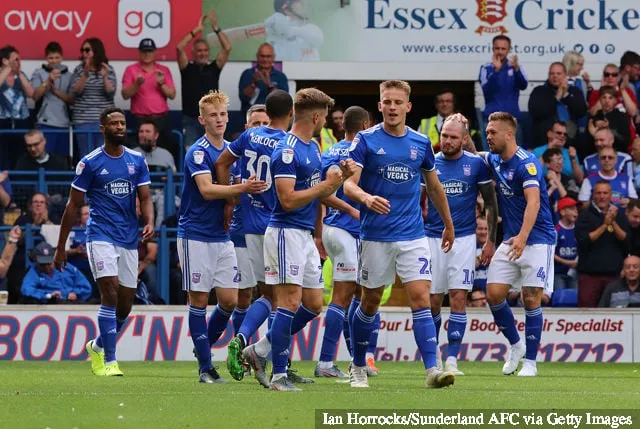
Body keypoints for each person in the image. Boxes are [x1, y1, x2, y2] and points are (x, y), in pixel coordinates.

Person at [343, 80, 455, 389]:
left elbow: (433, 186)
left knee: (421, 299)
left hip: (412, 235)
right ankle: (357, 365)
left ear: (408, 106)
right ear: (380, 106)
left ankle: (432, 369)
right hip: (376, 235)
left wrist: (448, 222)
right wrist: (365, 198)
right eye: (386, 102)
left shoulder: (420, 143)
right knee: (370, 302)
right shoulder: (365, 140)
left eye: (397, 102)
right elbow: (348, 184)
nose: (392, 107)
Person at [241, 88, 354, 392]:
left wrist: (345, 201)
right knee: (288, 304)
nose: (326, 122)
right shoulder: (286, 150)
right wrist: (328, 186)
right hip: (284, 233)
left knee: (314, 304)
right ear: (316, 117)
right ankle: (279, 375)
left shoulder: (314, 148)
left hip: (304, 236)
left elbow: (322, 193)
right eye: (325, 117)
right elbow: (288, 199)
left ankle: (260, 349)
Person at [54, 107, 154, 377]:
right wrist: (61, 247)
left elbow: (145, 197)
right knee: (109, 292)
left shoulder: (136, 159)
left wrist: (149, 221)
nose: (120, 127)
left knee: (125, 304)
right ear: (103, 128)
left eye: (122, 123)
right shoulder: (90, 162)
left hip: (128, 237)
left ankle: (97, 346)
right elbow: (73, 206)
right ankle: (110, 361)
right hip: (100, 234)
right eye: (114, 123)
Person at [177, 90, 267, 384]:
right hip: (195, 234)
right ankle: (206, 367)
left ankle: (200, 346)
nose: (218, 119)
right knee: (200, 300)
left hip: (222, 235)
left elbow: (236, 190)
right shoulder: (198, 152)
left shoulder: (231, 151)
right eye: (213, 115)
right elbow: (206, 189)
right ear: (202, 120)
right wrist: (242, 190)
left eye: (222, 114)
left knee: (230, 300)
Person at [215, 91, 292, 382]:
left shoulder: (248, 140)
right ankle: (249, 346)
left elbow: (222, 163)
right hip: (274, 226)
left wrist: (231, 197)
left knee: (264, 296)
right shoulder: (287, 143)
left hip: (250, 224)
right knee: (275, 297)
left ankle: (254, 350)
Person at [475, 111, 556, 377]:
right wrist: (462, 133)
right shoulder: (495, 159)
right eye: (487, 132)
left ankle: (531, 362)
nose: (488, 136)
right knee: (494, 294)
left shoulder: (527, 163)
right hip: (511, 239)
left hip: (537, 239)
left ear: (509, 134)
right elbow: (474, 154)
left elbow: (533, 202)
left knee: (531, 298)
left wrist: (522, 236)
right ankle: (516, 345)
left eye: (492, 132)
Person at [424, 115, 498, 376]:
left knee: (458, 297)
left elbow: (490, 203)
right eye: (444, 135)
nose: (447, 141)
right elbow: (420, 201)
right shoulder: (430, 162)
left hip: (465, 239)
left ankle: (452, 358)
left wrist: (490, 240)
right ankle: (432, 357)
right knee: (432, 300)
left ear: (464, 139)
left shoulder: (476, 165)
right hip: (432, 237)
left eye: (454, 137)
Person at [314, 106, 370, 378]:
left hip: (331, 228)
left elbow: (321, 193)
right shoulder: (362, 153)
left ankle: (357, 359)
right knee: (343, 297)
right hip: (347, 229)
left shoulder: (328, 152)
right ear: (366, 124)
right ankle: (325, 362)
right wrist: (351, 209)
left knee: (356, 294)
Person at [177, 10, 232, 150]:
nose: (203, 53)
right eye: (199, 51)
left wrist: (216, 28)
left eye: (205, 50)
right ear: (193, 53)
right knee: (191, 153)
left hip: (212, 119)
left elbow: (227, 47)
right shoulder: (186, 67)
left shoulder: (214, 67)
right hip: (190, 119)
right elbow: (179, 47)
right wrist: (197, 30)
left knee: (214, 152)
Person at [575, 181, 630, 307]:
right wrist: (605, 225)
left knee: (616, 319)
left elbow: (626, 241)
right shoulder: (584, 215)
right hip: (589, 276)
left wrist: (613, 222)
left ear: (611, 195)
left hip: (615, 277)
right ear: (593, 195)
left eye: (605, 193)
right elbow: (584, 241)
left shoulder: (620, 216)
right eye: (598, 193)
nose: (602, 196)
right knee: (587, 317)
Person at [122, 38, 176, 156]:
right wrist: (137, 84)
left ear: (155, 52)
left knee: (166, 149)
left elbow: (172, 94)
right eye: (144, 51)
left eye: (150, 51)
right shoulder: (131, 70)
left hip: (160, 119)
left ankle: (164, 174)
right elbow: (125, 94)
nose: (147, 54)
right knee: (136, 152)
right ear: (139, 52)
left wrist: (162, 83)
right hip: (139, 119)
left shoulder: (163, 70)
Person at [69, 38, 117, 157]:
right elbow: (76, 92)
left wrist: (104, 77)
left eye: (87, 50)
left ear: (96, 51)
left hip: (104, 120)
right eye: (82, 50)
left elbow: (111, 92)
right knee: (87, 156)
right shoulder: (79, 69)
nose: (84, 53)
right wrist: (84, 75)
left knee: (105, 155)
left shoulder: (107, 69)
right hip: (83, 120)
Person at [478, 36, 527, 140]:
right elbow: (486, 91)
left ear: (509, 50)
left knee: (515, 154)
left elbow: (523, 85)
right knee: (491, 155)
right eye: (497, 48)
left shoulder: (515, 67)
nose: (500, 52)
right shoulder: (486, 68)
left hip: (512, 120)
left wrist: (516, 69)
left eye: (503, 49)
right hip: (491, 121)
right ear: (493, 49)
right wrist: (496, 71)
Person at [31, 41, 73, 157]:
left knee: (62, 161)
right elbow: (35, 96)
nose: (54, 61)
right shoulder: (38, 73)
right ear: (46, 58)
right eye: (51, 58)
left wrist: (56, 92)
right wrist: (48, 80)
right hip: (45, 123)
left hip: (64, 124)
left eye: (57, 57)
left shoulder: (70, 76)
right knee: (44, 159)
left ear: (62, 57)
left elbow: (72, 99)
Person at [528, 62, 587, 146]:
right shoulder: (539, 91)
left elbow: (581, 112)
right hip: (545, 139)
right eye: (552, 73)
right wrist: (556, 98)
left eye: (558, 73)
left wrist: (566, 95)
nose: (555, 76)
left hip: (570, 138)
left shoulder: (574, 91)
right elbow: (537, 112)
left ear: (565, 75)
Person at [21, 241, 92, 304]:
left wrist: (75, 293)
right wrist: (48, 295)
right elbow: (26, 290)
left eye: (49, 263)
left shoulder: (67, 267)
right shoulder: (34, 272)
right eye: (42, 264)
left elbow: (86, 287)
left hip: (71, 305)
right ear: (36, 261)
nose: (46, 267)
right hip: (47, 306)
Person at [0, 45, 34, 169]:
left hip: (21, 121)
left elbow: (31, 94)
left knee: (20, 156)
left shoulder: (21, 75)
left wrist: (19, 74)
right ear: (4, 60)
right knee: (2, 156)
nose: (18, 63)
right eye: (16, 59)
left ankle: (19, 187)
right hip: (3, 122)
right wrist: (8, 69)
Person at [238, 43, 289, 118]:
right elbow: (243, 98)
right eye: (262, 56)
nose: (265, 59)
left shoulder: (281, 76)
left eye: (268, 56)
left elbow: (282, 101)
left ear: (273, 57)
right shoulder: (247, 73)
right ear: (257, 56)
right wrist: (254, 83)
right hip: (250, 119)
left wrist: (269, 84)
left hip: (273, 119)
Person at [587, 86, 632, 153]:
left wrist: (609, 130)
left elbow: (626, 141)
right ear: (600, 100)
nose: (607, 101)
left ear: (615, 101)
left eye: (610, 98)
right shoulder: (594, 118)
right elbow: (587, 145)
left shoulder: (621, 117)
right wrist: (594, 135)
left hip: (617, 153)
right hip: (598, 154)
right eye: (604, 97)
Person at [554, 197, 579, 290]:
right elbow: (551, 253)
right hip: (558, 273)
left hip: (574, 273)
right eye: (572, 209)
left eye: (576, 209)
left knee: (574, 299)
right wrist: (567, 262)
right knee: (560, 298)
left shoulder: (578, 230)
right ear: (563, 212)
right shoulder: (555, 230)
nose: (576, 211)